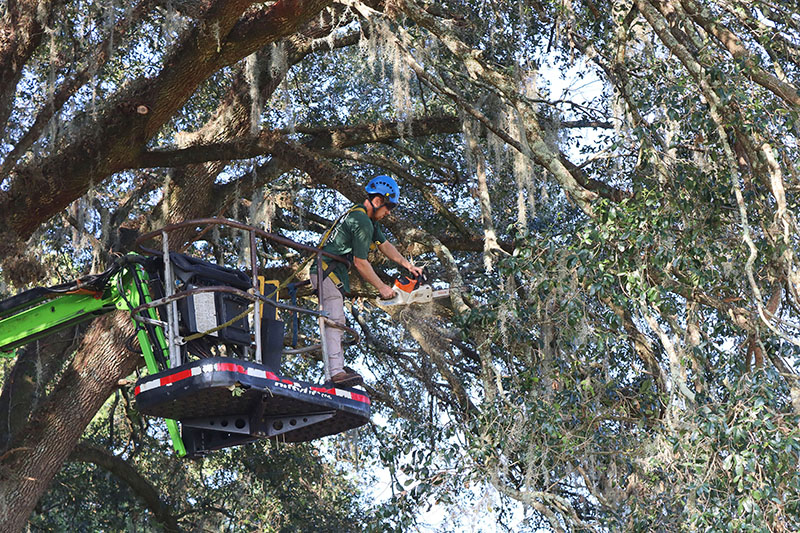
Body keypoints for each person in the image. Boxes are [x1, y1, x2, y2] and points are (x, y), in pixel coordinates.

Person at [310, 175, 423, 387]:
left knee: (336, 320)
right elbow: (360, 262)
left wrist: (407, 266)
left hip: (328, 272)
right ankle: (335, 373)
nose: (389, 212)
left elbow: (384, 244)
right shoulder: (362, 221)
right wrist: (382, 288)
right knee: (335, 320)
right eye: (388, 207)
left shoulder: (364, 217)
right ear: (378, 201)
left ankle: (336, 369)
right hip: (327, 272)